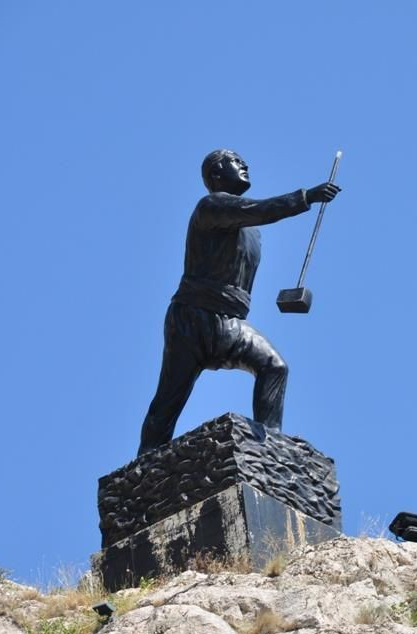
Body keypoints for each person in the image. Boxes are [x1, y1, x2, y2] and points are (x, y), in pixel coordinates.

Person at [138, 149, 340, 454]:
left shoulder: (251, 230)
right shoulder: (211, 206)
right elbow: (260, 209)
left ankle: (270, 443)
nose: (244, 164)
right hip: (193, 318)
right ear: (216, 173)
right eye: (235, 161)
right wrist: (305, 197)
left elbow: (255, 216)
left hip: (230, 321)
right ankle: (147, 458)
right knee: (169, 399)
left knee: (274, 367)